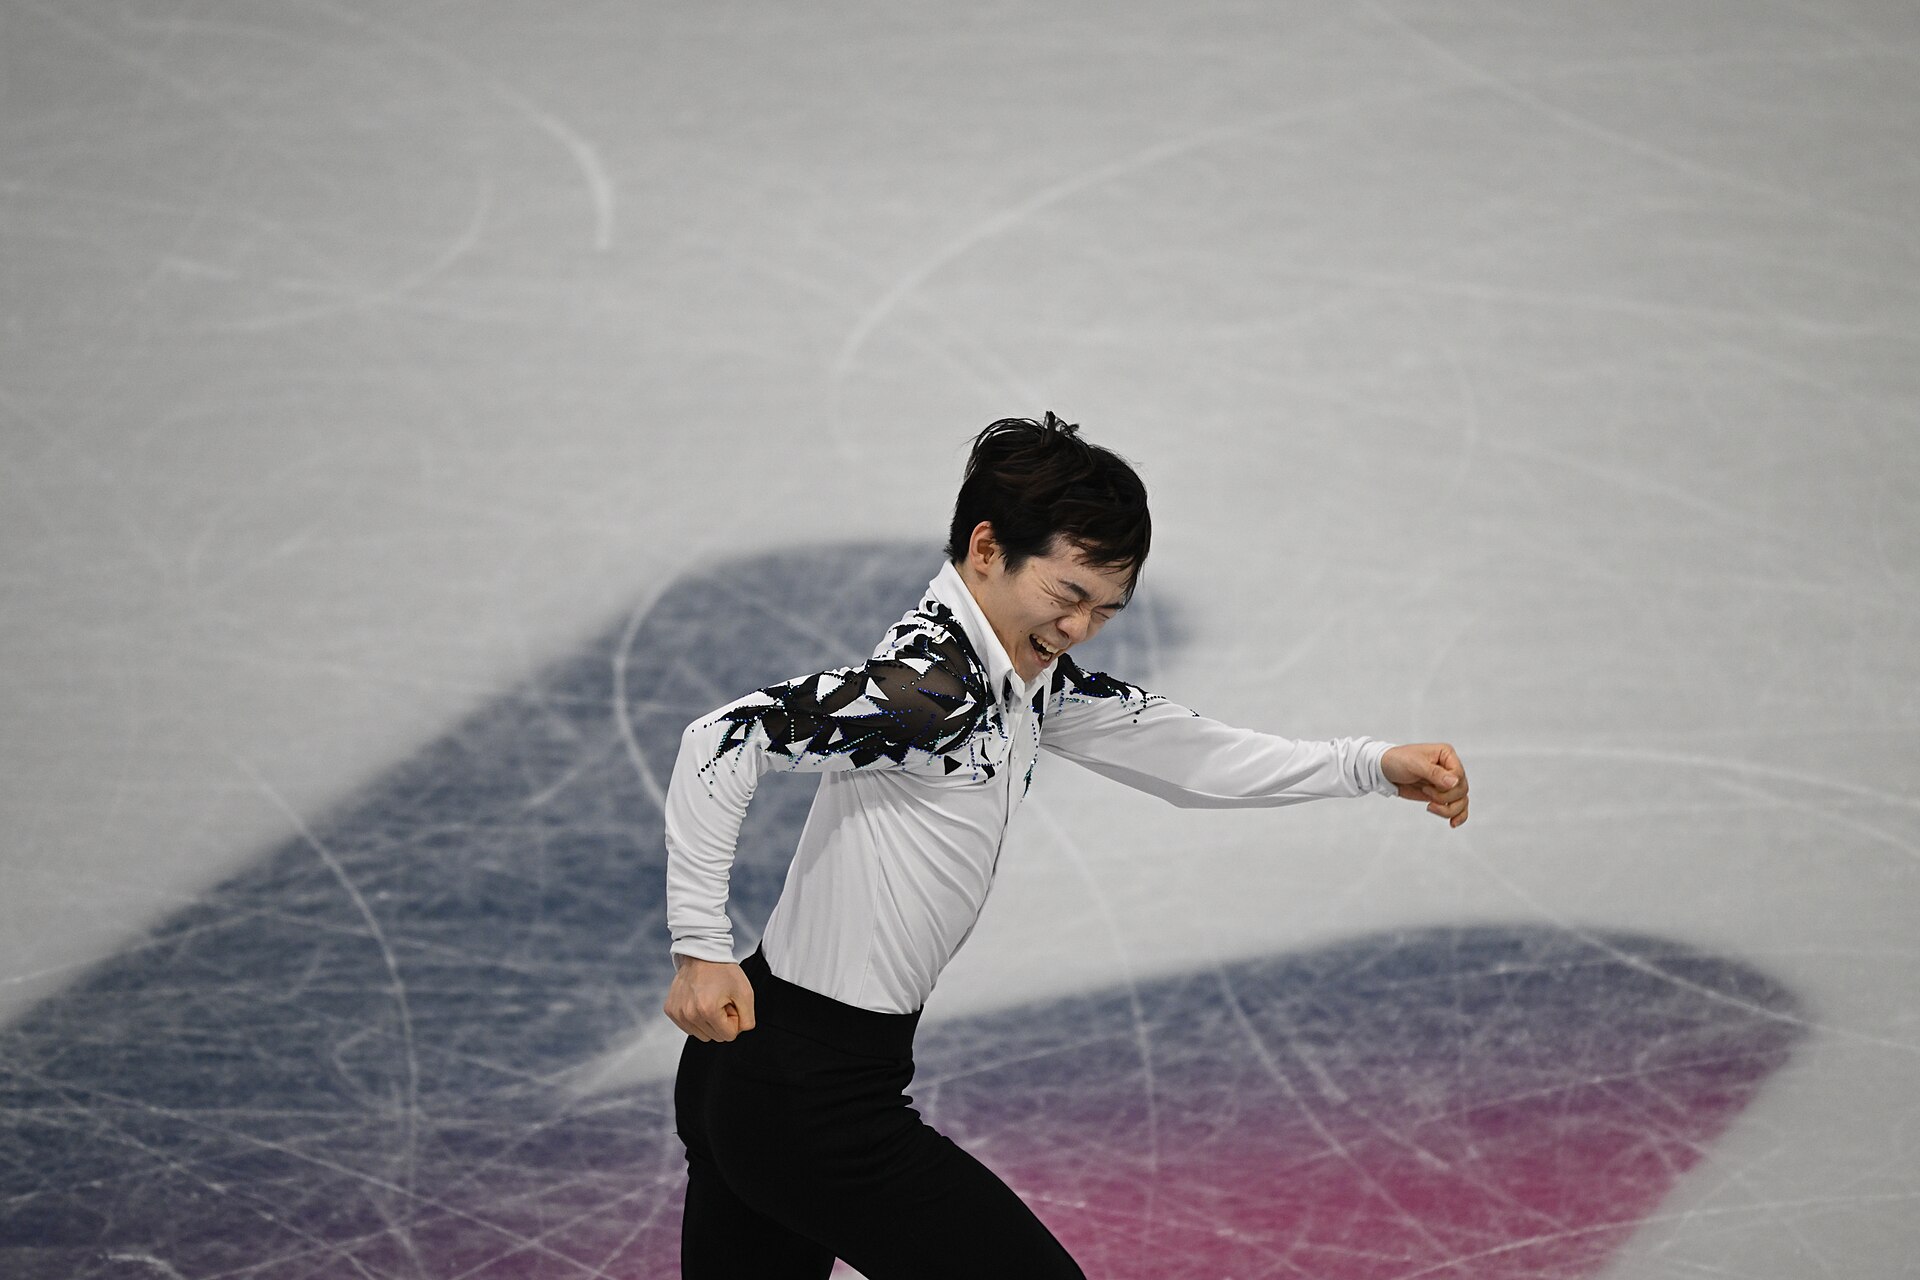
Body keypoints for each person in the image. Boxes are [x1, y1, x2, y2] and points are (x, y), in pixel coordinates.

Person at [662, 413, 1470, 1278]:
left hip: (761, 1076)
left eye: (1106, 610)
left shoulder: (1021, 682)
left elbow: (1188, 754)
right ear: (986, 548)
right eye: (1067, 594)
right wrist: (700, 949)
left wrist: (1371, 766)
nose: (1081, 627)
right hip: (810, 1100)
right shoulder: (936, 691)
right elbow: (725, 737)